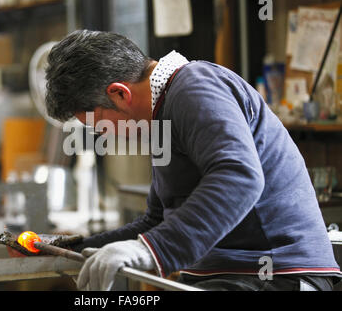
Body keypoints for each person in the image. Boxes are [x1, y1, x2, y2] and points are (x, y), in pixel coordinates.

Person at [44, 30, 341, 291]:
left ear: (119, 94)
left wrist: (151, 249)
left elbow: (239, 178)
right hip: (228, 277)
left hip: (274, 275)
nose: (109, 136)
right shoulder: (160, 120)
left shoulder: (194, 86)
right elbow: (158, 220)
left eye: (101, 126)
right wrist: (80, 250)